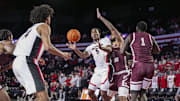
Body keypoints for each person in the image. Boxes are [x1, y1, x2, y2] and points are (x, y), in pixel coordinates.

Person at [12, 4, 71, 101]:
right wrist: (63, 54)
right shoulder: (44, 26)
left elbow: (19, 46)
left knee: (42, 88)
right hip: (27, 61)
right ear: (47, 17)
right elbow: (48, 46)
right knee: (43, 96)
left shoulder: (30, 30)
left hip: (18, 62)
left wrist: (38, 58)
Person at [67, 27, 113, 101]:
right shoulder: (90, 47)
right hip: (97, 70)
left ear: (99, 34)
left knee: (103, 93)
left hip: (106, 68)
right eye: (92, 32)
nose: (94, 33)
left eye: (96, 32)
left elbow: (110, 50)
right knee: (90, 92)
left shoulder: (105, 40)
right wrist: (75, 49)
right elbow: (83, 55)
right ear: (91, 35)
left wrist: (102, 48)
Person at [121, 21, 160, 101]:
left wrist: (130, 55)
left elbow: (122, 51)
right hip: (150, 66)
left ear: (136, 28)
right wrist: (147, 51)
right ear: (145, 29)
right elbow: (157, 51)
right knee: (143, 92)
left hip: (139, 65)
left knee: (134, 95)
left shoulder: (131, 36)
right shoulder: (150, 37)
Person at [96, 8, 130, 101]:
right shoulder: (111, 48)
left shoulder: (120, 43)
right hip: (115, 76)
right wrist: (101, 48)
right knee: (105, 97)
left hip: (123, 74)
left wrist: (101, 18)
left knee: (122, 98)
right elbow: (107, 49)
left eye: (113, 33)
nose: (112, 33)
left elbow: (112, 28)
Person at [0, 29, 15, 101]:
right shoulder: (3, 44)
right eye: (12, 39)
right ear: (9, 38)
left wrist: (8, 67)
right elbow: (14, 50)